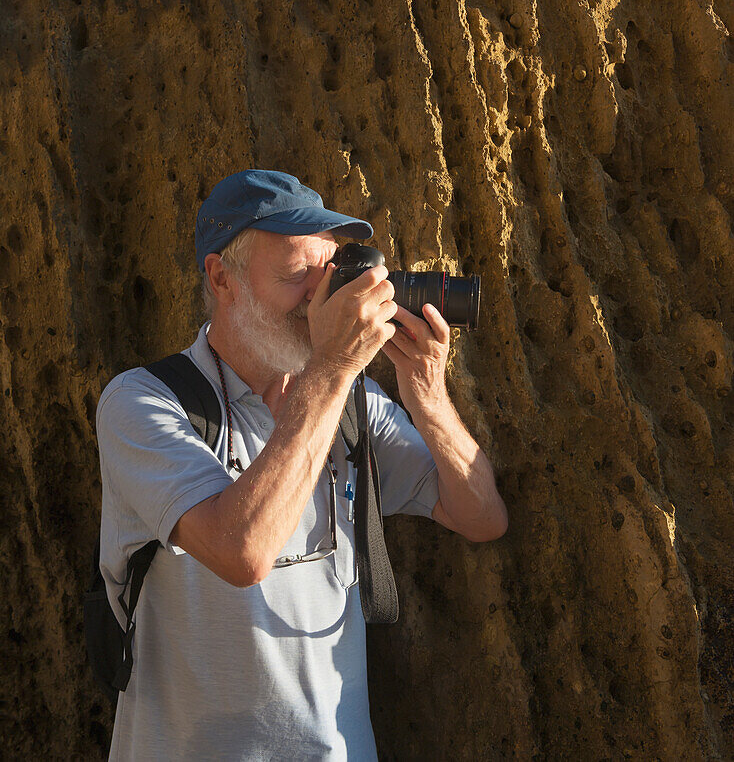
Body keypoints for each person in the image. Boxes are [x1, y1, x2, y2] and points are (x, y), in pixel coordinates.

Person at [96, 169, 507, 761]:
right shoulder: (143, 403)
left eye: (329, 275)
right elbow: (243, 552)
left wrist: (427, 393)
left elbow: (481, 517)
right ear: (221, 278)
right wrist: (334, 367)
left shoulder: (351, 404)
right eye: (295, 279)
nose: (319, 300)